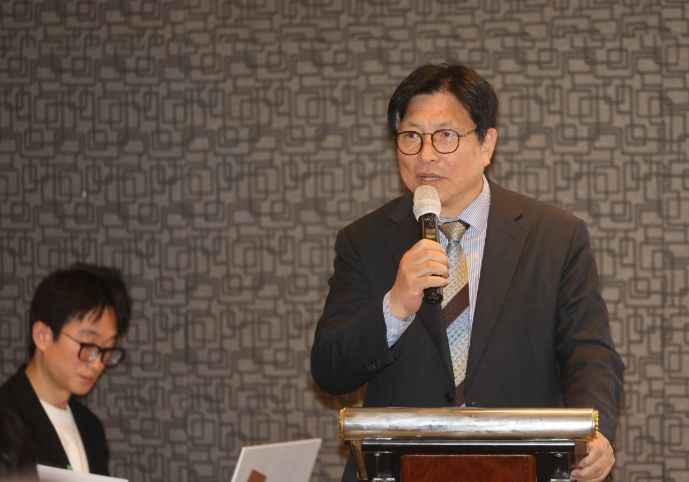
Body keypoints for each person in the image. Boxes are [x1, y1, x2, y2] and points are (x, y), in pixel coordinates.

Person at [311, 63, 624, 482]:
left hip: (523, 467)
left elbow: (589, 353)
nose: (425, 154)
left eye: (445, 135)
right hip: (400, 469)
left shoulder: (554, 236)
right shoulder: (364, 241)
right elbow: (330, 369)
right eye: (411, 136)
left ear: (486, 143)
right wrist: (394, 306)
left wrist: (595, 432)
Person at [0, 263, 131, 477]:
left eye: (107, 349)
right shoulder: (6, 424)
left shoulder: (91, 428)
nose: (97, 364)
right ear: (42, 336)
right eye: (88, 345)